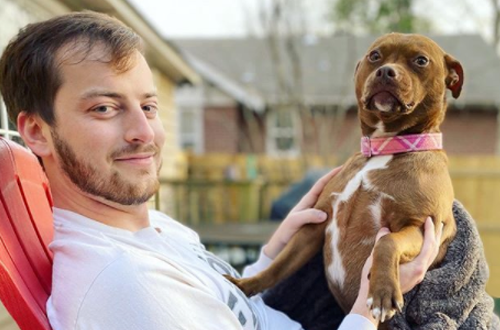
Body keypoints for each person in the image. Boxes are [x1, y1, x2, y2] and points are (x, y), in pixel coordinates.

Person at [0, 11, 444, 330]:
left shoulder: (154, 228)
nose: (144, 132)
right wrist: (368, 311)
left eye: (149, 106)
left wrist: (272, 254)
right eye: (104, 108)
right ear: (37, 132)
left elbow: (222, 306)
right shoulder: (123, 285)